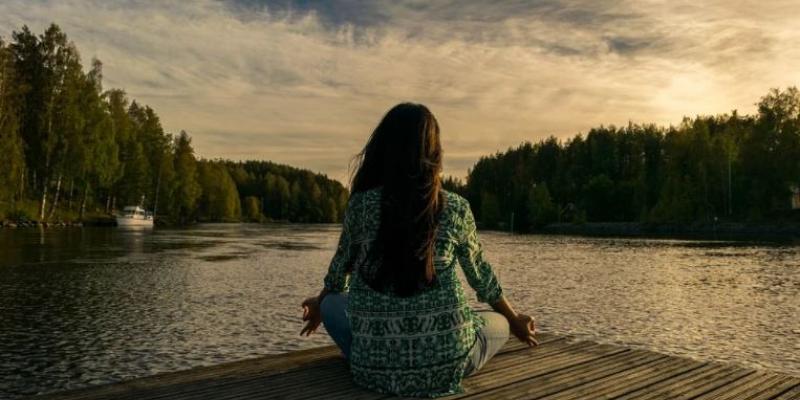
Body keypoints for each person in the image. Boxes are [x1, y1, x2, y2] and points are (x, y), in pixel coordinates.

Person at [300, 103, 537, 397]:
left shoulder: (360, 206)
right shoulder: (455, 208)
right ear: (434, 154)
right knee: (498, 321)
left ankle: (378, 353)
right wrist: (515, 320)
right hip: (447, 365)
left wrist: (321, 303)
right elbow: (481, 278)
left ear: (383, 150)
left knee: (333, 303)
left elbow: (338, 275)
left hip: (373, 371)